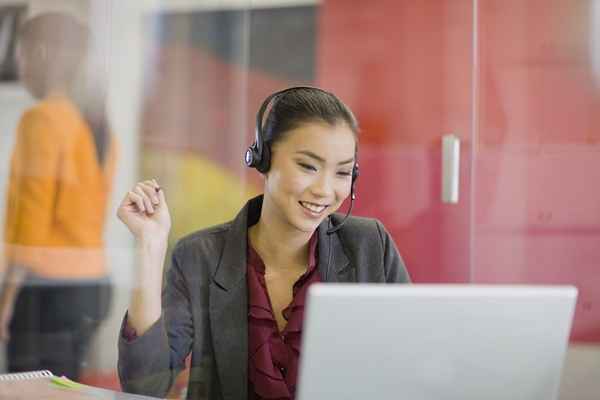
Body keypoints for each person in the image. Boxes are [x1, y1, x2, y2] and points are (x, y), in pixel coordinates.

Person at [117, 87, 410, 399]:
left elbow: (414, 363)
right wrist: (150, 247)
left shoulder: (370, 247)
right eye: (308, 166)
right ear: (263, 158)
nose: (326, 190)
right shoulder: (200, 256)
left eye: (342, 172)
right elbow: (146, 385)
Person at [0, 13, 116, 380]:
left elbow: (30, 226)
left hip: (46, 291)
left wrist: (6, 301)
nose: (19, 64)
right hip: (91, 285)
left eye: (20, 52)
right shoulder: (97, 121)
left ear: (42, 53)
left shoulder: (42, 119)